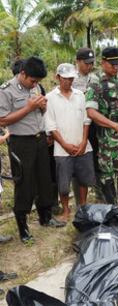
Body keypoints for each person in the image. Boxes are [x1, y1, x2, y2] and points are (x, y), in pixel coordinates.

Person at [0, 57, 65, 243]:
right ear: (22, 74)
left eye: (37, 82)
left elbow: (40, 113)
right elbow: (2, 120)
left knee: (44, 180)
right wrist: (29, 108)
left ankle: (45, 217)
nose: (35, 84)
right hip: (21, 143)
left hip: (39, 139)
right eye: (32, 80)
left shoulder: (35, 87)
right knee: (24, 184)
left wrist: (42, 108)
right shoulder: (6, 91)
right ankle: (23, 228)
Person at [86, 47, 118, 204]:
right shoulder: (96, 82)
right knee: (108, 173)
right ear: (103, 63)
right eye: (113, 64)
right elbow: (91, 112)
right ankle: (111, 207)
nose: (116, 67)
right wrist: (114, 125)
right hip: (109, 138)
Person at [45, 63, 95, 223]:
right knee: (64, 184)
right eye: (65, 79)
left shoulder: (80, 95)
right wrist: (65, 144)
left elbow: (86, 120)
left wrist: (84, 141)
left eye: (71, 79)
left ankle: (83, 208)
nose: (68, 82)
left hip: (82, 146)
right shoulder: (50, 98)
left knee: (83, 180)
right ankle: (66, 211)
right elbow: (51, 125)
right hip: (62, 149)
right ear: (57, 77)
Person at [72, 47, 99, 204]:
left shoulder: (95, 78)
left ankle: (97, 195)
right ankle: (80, 201)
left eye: (91, 63)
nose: (89, 66)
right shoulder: (71, 78)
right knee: (79, 163)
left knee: (95, 160)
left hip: (95, 125)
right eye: (86, 63)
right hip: (77, 125)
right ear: (78, 62)